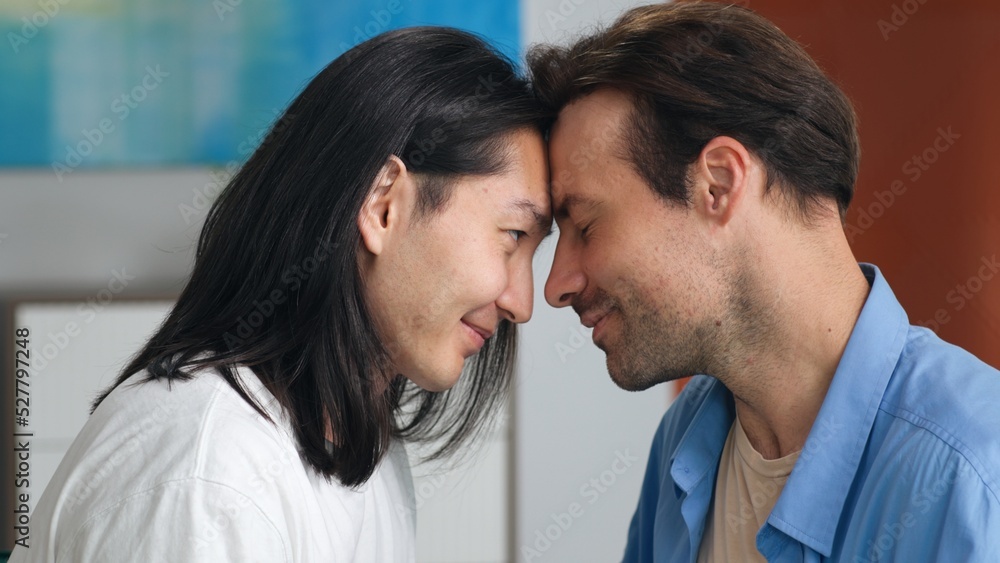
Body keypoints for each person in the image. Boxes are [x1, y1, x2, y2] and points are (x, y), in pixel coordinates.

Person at [13, 27, 550, 562]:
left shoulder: (363, 455)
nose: (520, 303)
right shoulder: (212, 477)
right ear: (384, 204)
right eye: (513, 237)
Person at [529, 2, 1000, 562]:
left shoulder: (975, 476)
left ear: (719, 184)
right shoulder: (683, 442)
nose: (555, 285)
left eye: (584, 224)